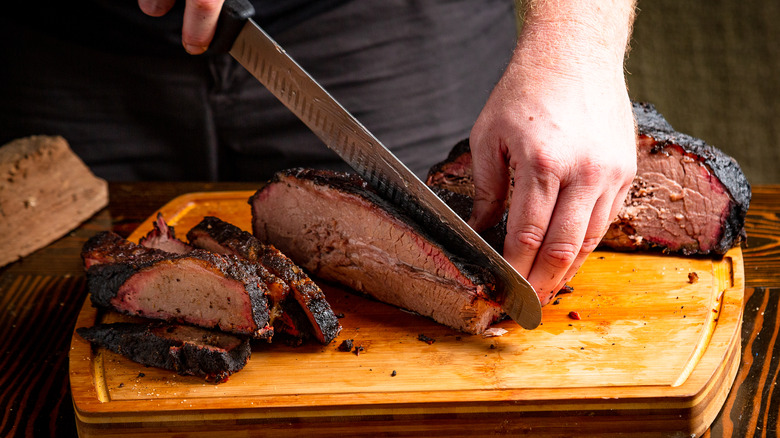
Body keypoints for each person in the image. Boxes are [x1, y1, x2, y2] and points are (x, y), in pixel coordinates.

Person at [0, 0, 637, 302]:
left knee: (455, 264)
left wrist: (575, 43)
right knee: (60, 315)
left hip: (389, 35)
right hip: (63, 56)